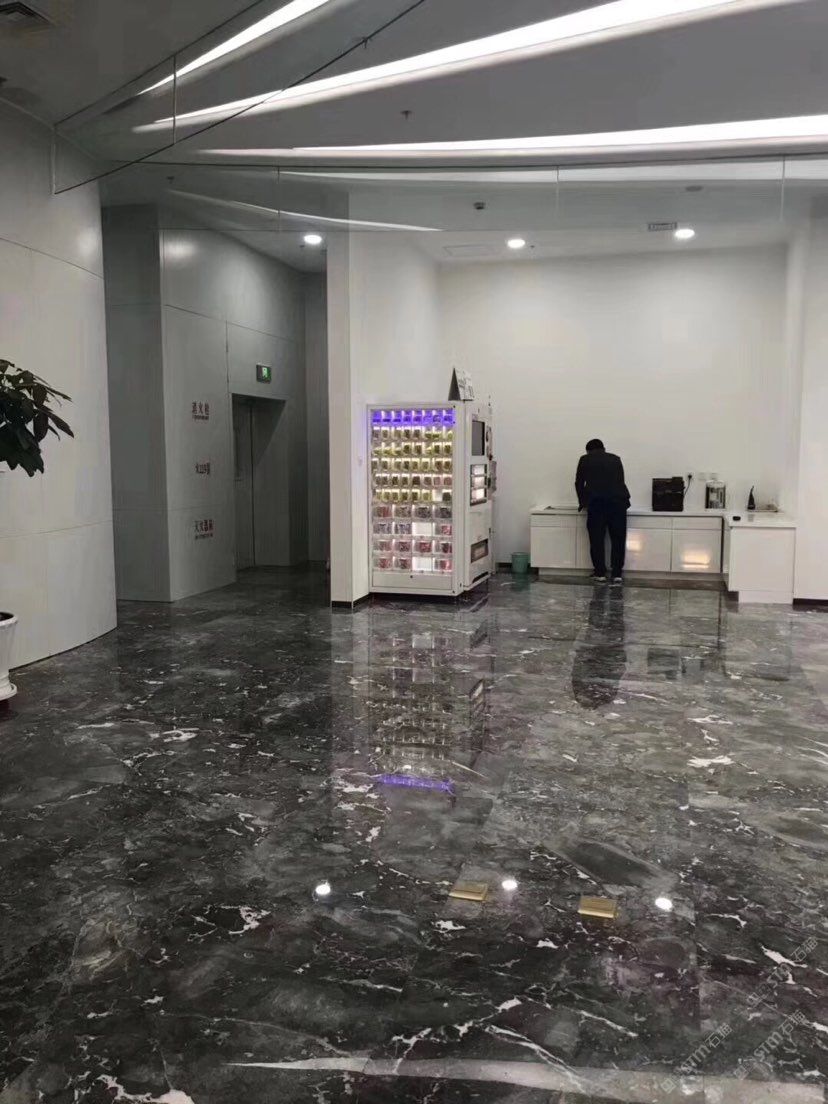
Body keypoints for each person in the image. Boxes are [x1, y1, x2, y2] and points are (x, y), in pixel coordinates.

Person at [575, 439, 630, 585]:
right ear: (603, 448)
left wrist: (582, 502)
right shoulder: (616, 459)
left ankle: (600, 573)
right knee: (618, 539)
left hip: (597, 504)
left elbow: (579, 483)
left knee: (597, 539)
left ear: (588, 451)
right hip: (618, 504)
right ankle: (617, 574)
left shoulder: (585, 459)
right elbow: (620, 481)